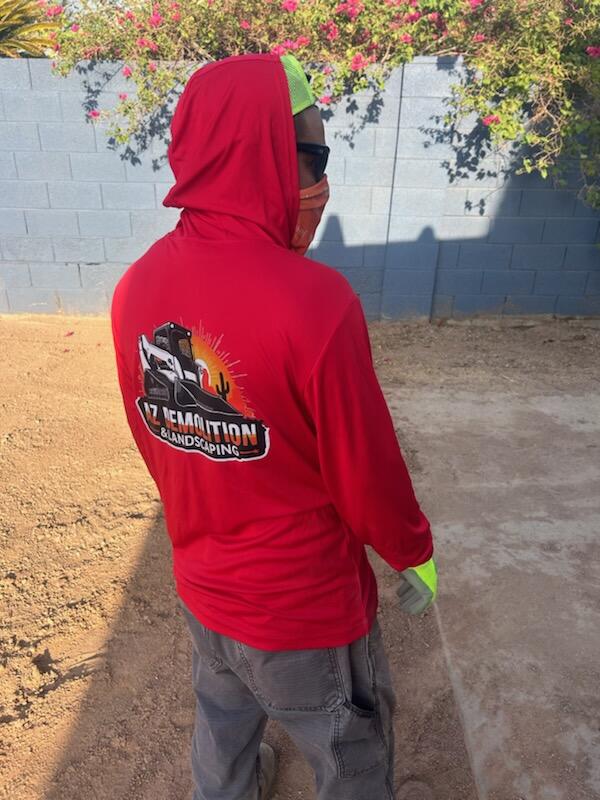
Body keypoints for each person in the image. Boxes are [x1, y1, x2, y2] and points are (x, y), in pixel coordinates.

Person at [111, 52, 437, 800]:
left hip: (203, 587)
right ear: (255, 151)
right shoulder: (315, 303)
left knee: (222, 725)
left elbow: (158, 442)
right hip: (304, 607)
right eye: (311, 155)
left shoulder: (136, 287)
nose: (321, 181)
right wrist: (410, 549)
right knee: (350, 750)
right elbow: (366, 474)